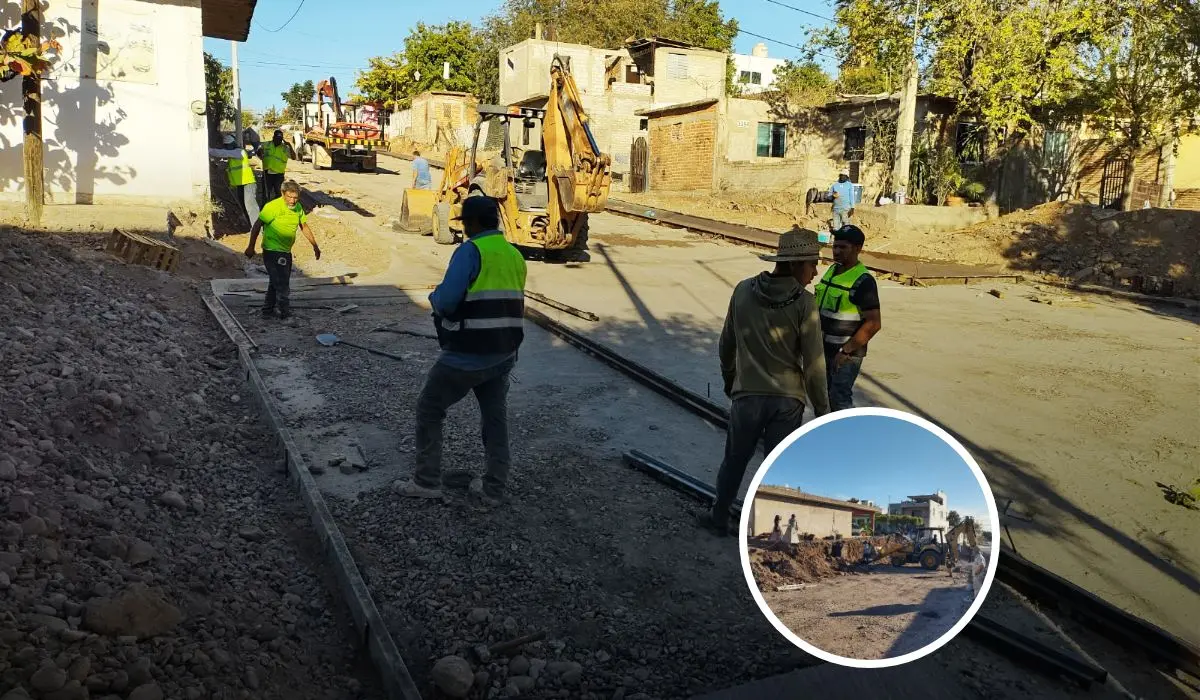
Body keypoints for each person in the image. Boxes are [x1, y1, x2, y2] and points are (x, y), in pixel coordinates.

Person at [697, 230, 832, 537]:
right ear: (797, 265)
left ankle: (719, 516)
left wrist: (730, 380)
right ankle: (769, 532)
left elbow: (726, 345)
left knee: (734, 460)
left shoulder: (743, 291)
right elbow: (814, 365)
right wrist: (822, 410)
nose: (815, 272)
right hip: (787, 402)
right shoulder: (805, 304)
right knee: (775, 469)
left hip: (747, 396)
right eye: (813, 264)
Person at [397, 196, 527, 508]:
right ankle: (494, 487)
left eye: (465, 223)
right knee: (495, 418)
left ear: (473, 223)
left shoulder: (471, 252)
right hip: (504, 352)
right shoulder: (514, 254)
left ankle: (426, 481)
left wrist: (433, 296)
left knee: (430, 408)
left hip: (469, 352)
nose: (465, 229)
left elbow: (446, 302)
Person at [814, 224, 882, 411]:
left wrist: (846, 351)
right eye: (835, 246)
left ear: (858, 249)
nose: (836, 251)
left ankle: (846, 437)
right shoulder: (832, 271)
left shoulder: (863, 281)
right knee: (822, 396)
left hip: (845, 355)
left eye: (843, 247)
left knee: (839, 398)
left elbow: (874, 323)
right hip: (824, 350)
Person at [244, 180, 321, 320]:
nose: (292, 200)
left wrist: (315, 245)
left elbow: (304, 226)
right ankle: (285, 313)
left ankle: (267, 311)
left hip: (286, 251)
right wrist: (251, 246)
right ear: (282, 194)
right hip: (272, 250)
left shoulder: (298, 208)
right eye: (289, 197)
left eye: (295, 197)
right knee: (282, 283)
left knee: (275, 281)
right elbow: (257, 225)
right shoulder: (272, 207)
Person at [226, 143, 259, 229]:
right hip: (240, 184)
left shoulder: (238, 152)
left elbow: (220, 153)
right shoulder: (233, 154)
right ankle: (250, 225)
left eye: (227, 145)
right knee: (244, 205)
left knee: (250, 206)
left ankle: (258, 228)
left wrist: (208, 150)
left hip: (248, 182)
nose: (227, 147)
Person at [258, 130, 290, 202]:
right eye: (277, 139)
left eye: (280, 139)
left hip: (279, 175)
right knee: (266, 193)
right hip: (267, 173)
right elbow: (258, 150)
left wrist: (289, 145)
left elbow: (294, 157)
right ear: (273, 138)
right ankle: (265, 208)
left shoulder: (285, 148)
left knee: (279, 193)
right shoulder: (266, 144)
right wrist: (259, 152)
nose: (278, 141)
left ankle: (276, 207)